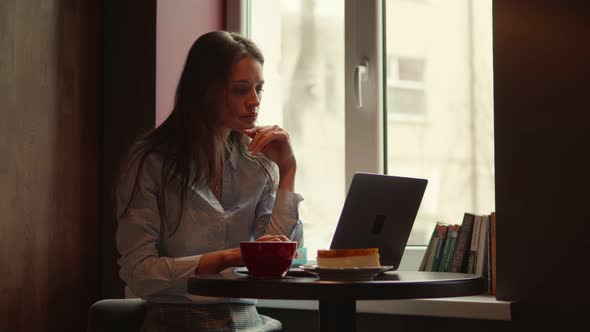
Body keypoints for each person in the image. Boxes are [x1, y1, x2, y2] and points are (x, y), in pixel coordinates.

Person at [115, 31, 303, 332]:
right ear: (206, 91)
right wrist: (227, 258)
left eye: (259, 89)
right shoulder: (150, 162)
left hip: (248, 325)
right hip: (174, 325)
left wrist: (288, 169)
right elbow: (140, 272)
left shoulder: (258, 162)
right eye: (241, 90)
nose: (254, 102)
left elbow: (278, 258)